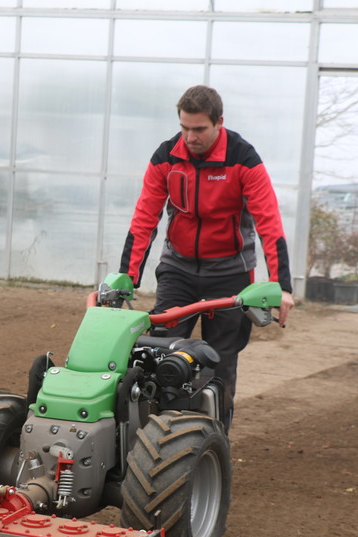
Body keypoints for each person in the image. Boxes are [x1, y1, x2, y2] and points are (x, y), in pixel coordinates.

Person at [119, 84, 294, 428]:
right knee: (159, 353)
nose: (190, 137)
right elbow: (144, 219)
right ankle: (156, 437)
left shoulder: (242, 159)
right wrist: (127, 277)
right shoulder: (166, 157)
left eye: (199, 129)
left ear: (219, 123)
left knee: (221, 364)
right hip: (178, 270)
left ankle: (216, 444)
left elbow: (269, 224)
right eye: (184, 127)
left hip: (230, 274)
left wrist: (281, 286)